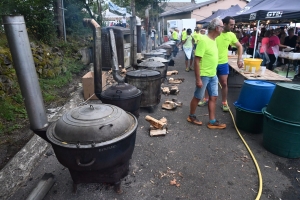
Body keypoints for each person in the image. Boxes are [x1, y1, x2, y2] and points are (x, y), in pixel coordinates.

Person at [187, 18, 226, 129]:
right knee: (198, 96)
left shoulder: (214, 40)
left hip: (213, 75)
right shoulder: (204, 40)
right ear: (217, 28)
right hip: (204, 75)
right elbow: (197, 60)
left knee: (213, 97)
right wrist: (198, 79)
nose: (222, 29)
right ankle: (191, 116)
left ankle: (212, 121)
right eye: (222, 27)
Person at [198, 16, 243, 112]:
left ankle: (224, 102)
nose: (233, 27)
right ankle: (206, 99)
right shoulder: (215, 33)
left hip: (223, 63)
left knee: (224, 83)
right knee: (207, 82)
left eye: (234, 25)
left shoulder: (231, 35)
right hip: (211, 63)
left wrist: (240, 59)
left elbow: (239, 46)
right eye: (231, 25)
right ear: (224, 24)